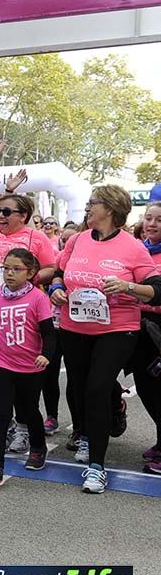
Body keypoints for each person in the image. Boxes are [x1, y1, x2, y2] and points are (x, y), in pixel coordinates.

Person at [51, 185, 161, 493]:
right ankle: (88, 435)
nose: (87, 208)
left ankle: (97, 467)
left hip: (117, 330)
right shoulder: (77, 240)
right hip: (75, 328)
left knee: (98, 389)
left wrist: (127, 287)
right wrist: (55, 289)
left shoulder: (133, 247)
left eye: (92, 204)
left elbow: (157, 289)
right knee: (80, 388)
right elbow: (59, 272)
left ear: (109, 209)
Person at [0, 141, 56, 418]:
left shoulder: (36, 238)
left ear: (24, 216)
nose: (1, 216)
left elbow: (51, 267)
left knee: (16, 368)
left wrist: (27, 279)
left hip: (20, 309)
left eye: (7, 212)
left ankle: (20, 420)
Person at [0, 249, 56, 489]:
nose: (9, 273)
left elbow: (49, 333)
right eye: (6, 268)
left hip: (30, 366)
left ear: (30, 273)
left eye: (16, 269)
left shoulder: (38, 298)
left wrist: (45, 355)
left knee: (29, 410)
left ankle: (39, 448)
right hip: (1, 362)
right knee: (0, 415)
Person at [138, 202, 161, 475]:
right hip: (139, 326)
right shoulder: (139, 250)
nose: (152, 224)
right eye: (148, 218)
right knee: (147, 388)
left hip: (158, 326)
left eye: (158, 220)